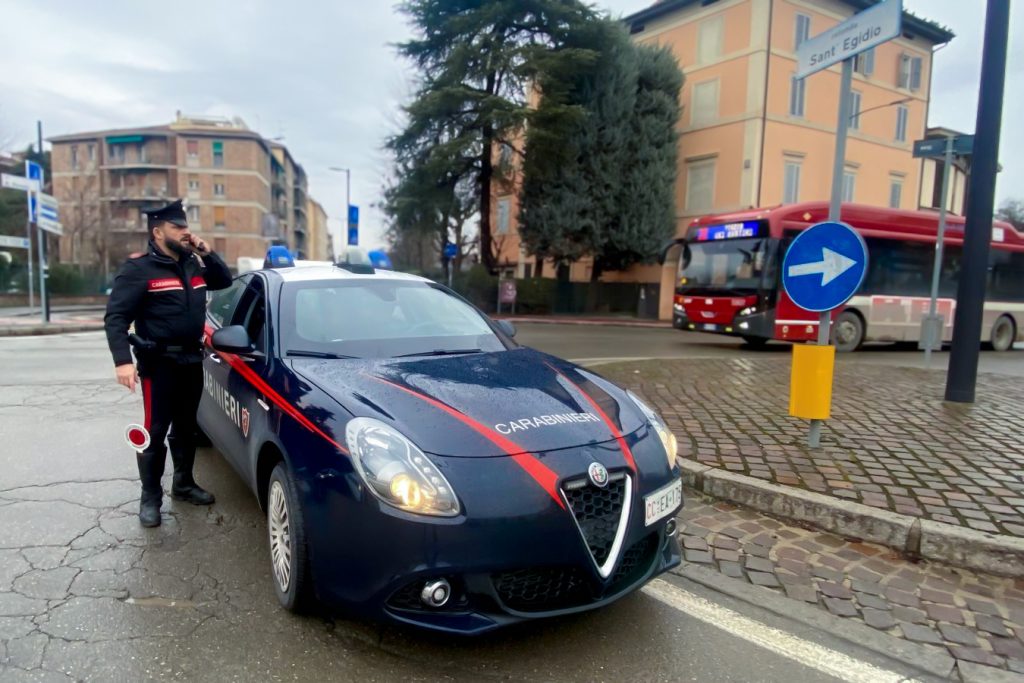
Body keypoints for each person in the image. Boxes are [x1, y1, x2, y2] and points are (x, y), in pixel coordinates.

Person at [104, 199, 233, 527]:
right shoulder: (139, 269)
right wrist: (122, 361)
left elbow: (224, 281)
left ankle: (184, 484)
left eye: (186, 226)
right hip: (158, 364)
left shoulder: (193, 263)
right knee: (154, 430)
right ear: (158, 231)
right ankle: (150, 498)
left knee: (187, 427)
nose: (185, 232)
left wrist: (206, 251)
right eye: (178, 227)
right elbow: (116, 318)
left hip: (192, 359)